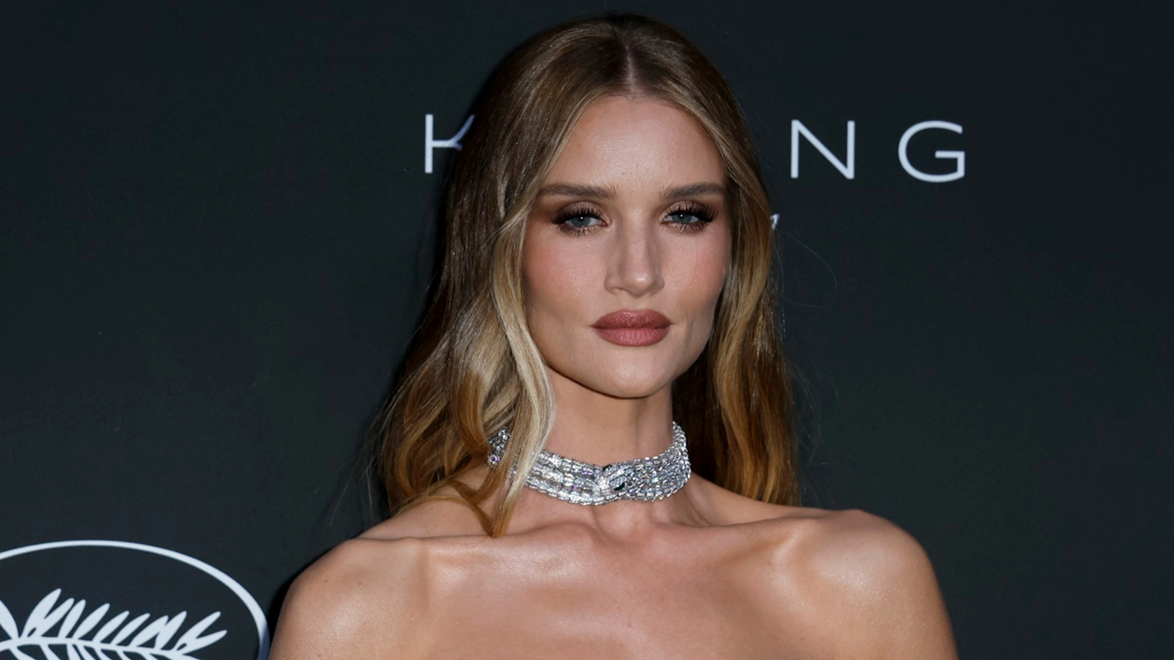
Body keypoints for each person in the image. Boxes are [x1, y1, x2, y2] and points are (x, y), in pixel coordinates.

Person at [270, 13, 957, 659]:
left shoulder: (858, 583)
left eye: (685, 215)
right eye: (581, 217)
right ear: (500, 243)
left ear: (735, 245)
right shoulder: (370, 608)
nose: (639, 273)